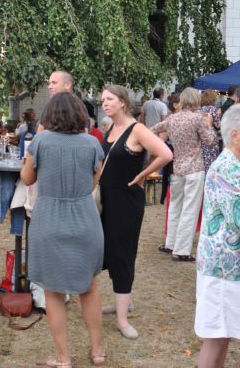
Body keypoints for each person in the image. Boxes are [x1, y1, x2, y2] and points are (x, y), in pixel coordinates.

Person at [20, 93, 108, 367]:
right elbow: (93, 183)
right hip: (85, 218)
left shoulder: (41, 141)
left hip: (49, 220)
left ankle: (63, 357)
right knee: (89, 288)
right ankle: (97, 351)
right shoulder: (92, 143)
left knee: (53, 291)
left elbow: (27, 178)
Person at [99, 85, 172, 340]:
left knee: (123, 253)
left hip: (126, 201)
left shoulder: (137, 129)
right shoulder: (110, 128)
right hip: (107, 199)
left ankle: (122, 319)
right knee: (110, 251)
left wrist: (143, 174)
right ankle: (123, 301)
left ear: (122, 102)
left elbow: (165, 154)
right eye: (103, 99)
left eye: (109, 99)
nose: (104, 103)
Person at [195, 104, 240, 368]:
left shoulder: (235, 167)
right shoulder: (228, 169)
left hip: (230, 267)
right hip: (225, 268)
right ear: (235, 135)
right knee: (216, 338)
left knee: (222, 336)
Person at [151, 87, 216, 261]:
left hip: (177, 167)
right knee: (190, 209)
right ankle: (181, 250)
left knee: (175, 207)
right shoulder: (198, 119)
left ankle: (170, 243)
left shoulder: (172, 118)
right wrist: (209, 125)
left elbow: (153, 129)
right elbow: (210, 141)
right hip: (194, 168)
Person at [200, 89, 223, 171]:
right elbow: (218, 125)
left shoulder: (200, 109)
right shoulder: (214, 109)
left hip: (201, 136)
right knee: (211, 158)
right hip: (211, 136)